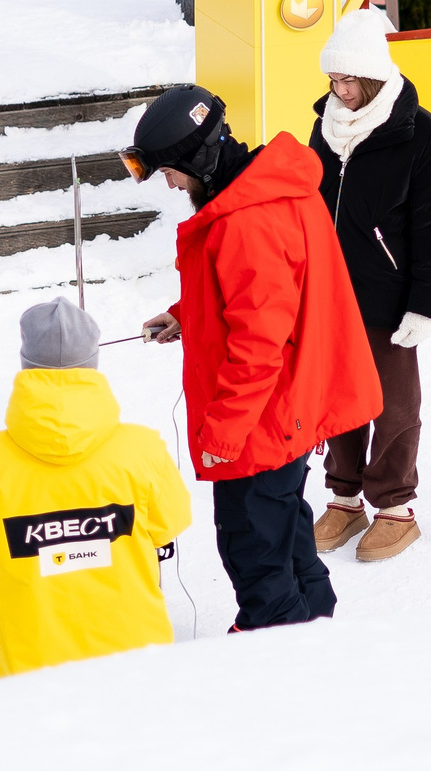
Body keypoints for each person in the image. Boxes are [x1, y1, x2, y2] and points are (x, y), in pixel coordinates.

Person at [129, 86, 381, 631]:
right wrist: (186, 314)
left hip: (260, 423)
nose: (170, 183)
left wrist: (221, 438)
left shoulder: (248, 221)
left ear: (196, 159)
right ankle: (318, 632)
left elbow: (259, 346)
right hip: (282, 414)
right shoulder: (263, 193)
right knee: (286, 533)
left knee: (254, 554)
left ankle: (273, 656)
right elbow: (253, 299)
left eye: (171, 170)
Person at [0, 298, 192, 682]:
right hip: (137, 660)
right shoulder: (142, 450)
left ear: (26, 364)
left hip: (26, 670)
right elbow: (171, 522)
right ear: (92, 363)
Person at [305, 11, 431, 563]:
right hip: (331, 294)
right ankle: (344, 499)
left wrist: (428, 304)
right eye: (333, 80)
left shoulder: (421, 134)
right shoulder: (325, 127)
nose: (339, 90)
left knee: (392, 406)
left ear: (373, 80)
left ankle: (395, 509)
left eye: (348, 81)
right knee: (337, 399)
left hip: (390, 298)